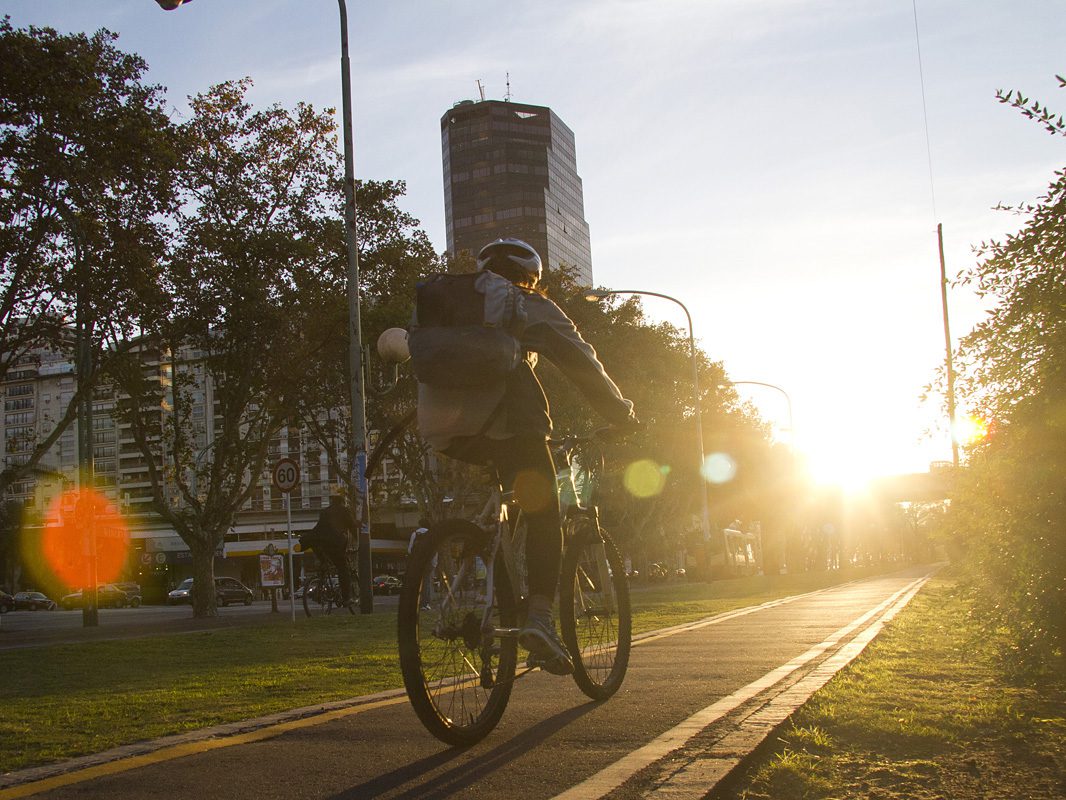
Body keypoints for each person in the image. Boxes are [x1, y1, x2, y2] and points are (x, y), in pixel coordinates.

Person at [417, 238, 639, 675]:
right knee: (544, 509)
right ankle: (538, 616)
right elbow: (581, 361)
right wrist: (621, 412)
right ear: (531, 277)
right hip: (510, 423)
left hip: (446, 431)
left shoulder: (447, 309)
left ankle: (494, 571)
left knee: (509, 499)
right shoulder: (526, 304)